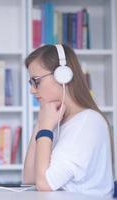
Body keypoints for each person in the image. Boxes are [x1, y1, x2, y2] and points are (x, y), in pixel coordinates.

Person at [22, 44, 114, 197]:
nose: (32, 90)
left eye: (36, 81)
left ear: (62, 76)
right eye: (31, 83)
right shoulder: (55, 122)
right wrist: (40, 124)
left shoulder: (88, 122)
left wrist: (44, 127)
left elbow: (44, 184)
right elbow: (29, 180)